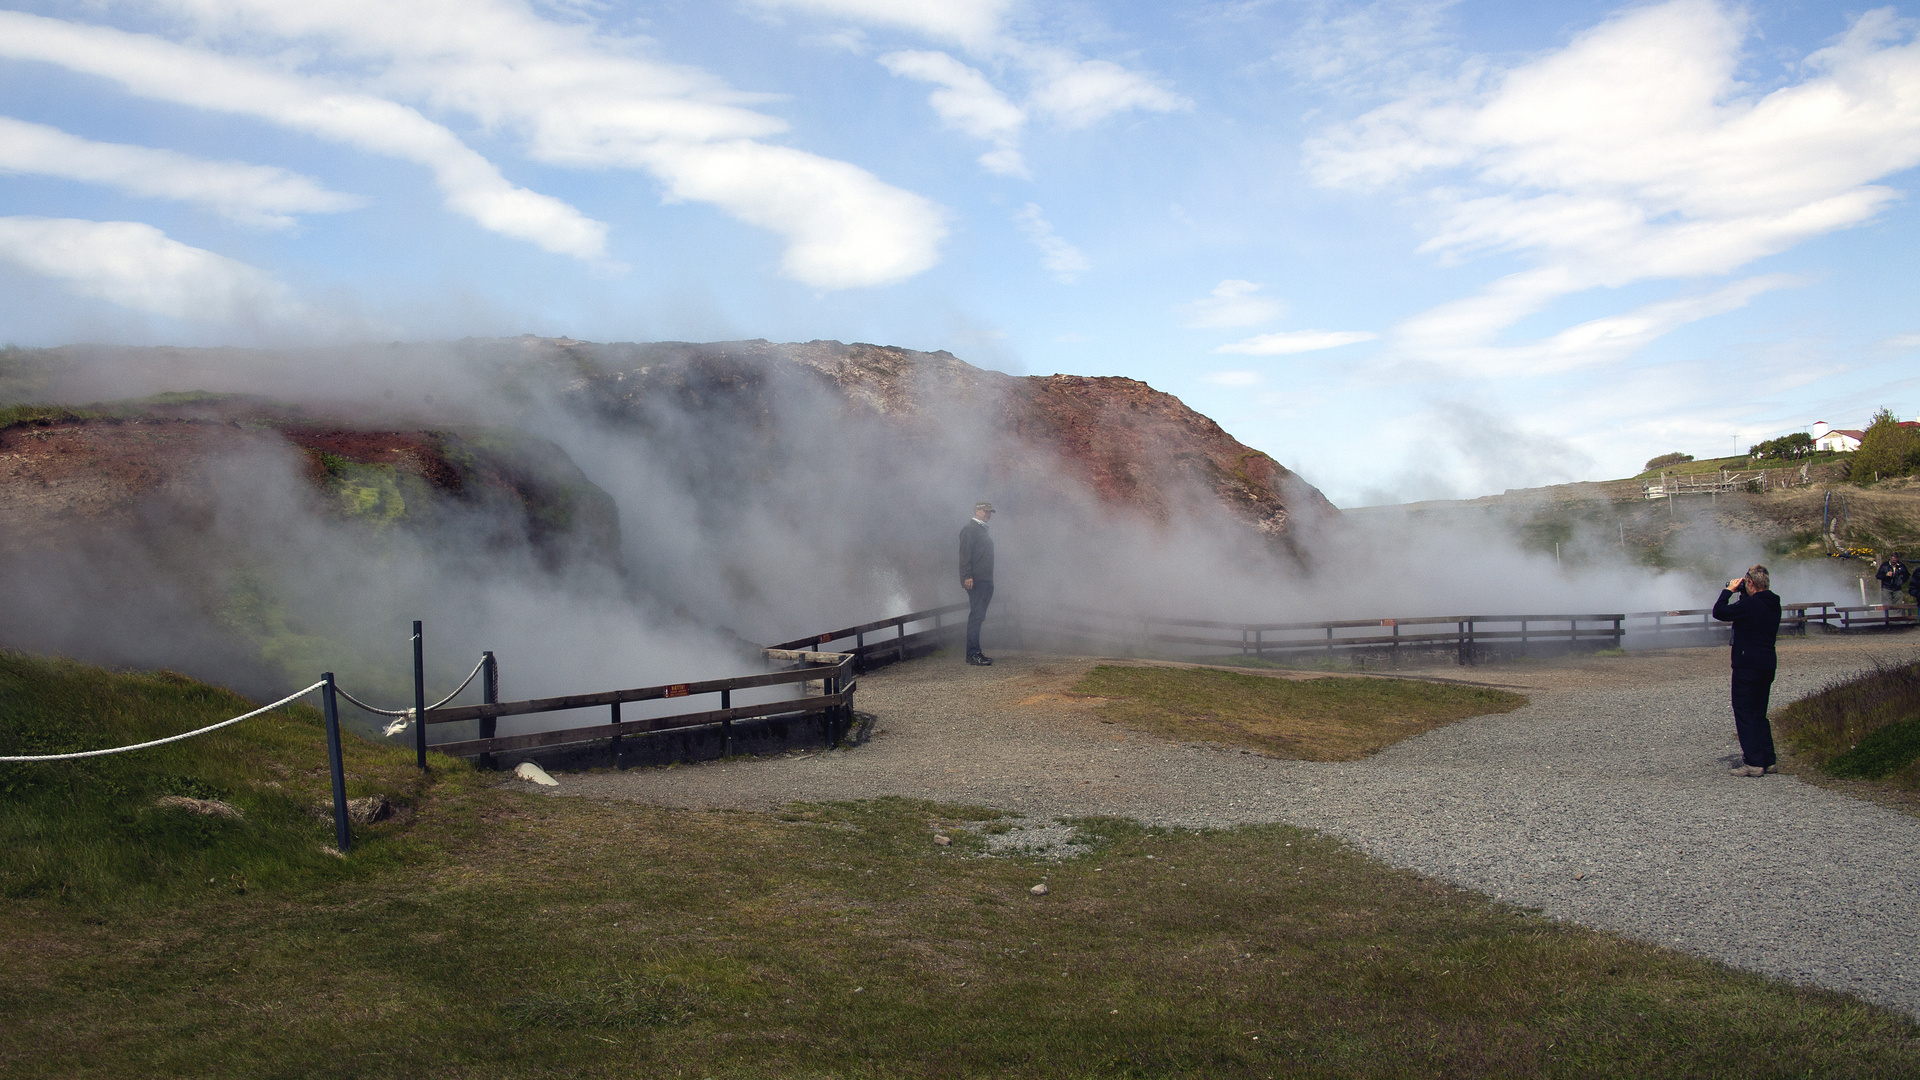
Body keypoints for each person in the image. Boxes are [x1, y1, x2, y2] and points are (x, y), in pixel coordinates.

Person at [1711, 564, 1781, 777]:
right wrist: (1744, 595)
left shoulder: (1751, 606)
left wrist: (1728, 591)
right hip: (1767, 664)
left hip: (1747, 665)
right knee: (1760, 714)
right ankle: (1768, 760)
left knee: (1744, 712)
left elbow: (1719, 612)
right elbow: (1749, 614)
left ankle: (1753, 762)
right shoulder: (1773, 604)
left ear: (1750, 583)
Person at [958, 501, 995, 666]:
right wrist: (967, 576)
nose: (988, 514)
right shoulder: (970, 530)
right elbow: (965, 554)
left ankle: (975, 652)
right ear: (976, 511)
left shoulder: (981, 530)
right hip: (977, 580)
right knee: (976, 616)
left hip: (984, 579)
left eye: (989, 512)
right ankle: (973, 654)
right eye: (985, 511)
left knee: (979, 616)